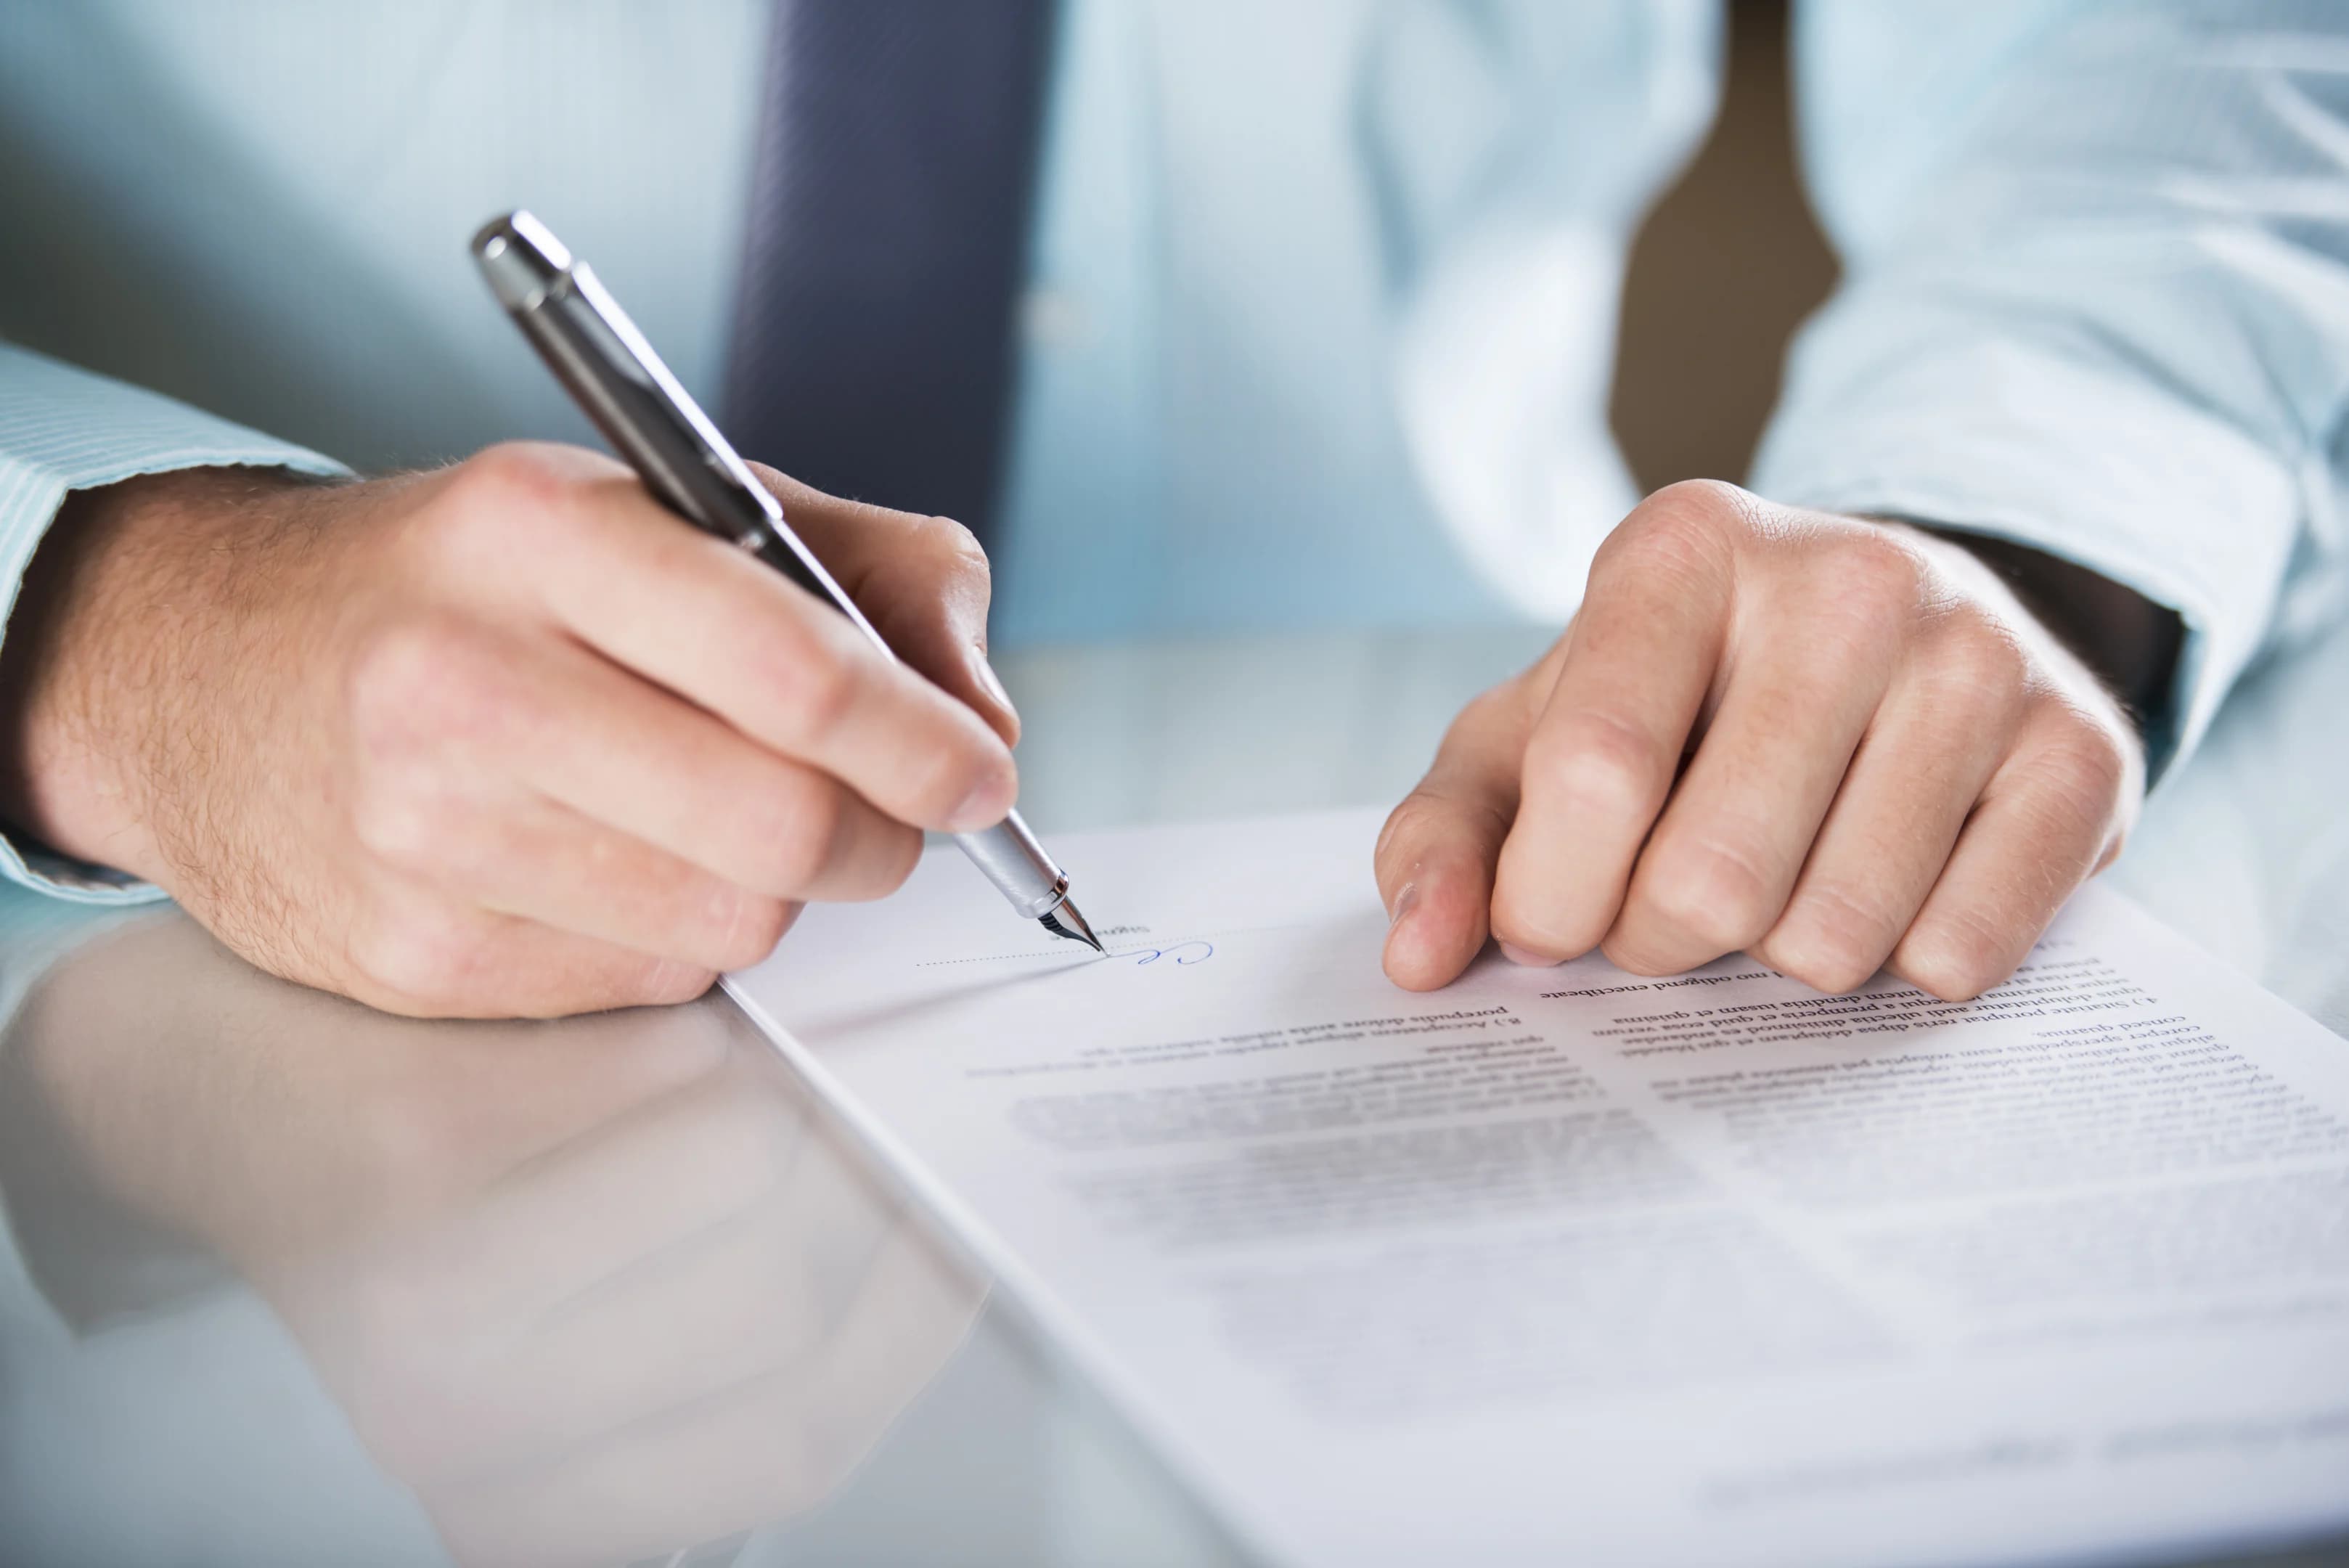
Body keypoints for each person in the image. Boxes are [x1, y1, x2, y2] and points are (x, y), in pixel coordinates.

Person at [0, 1, 2342, 1019]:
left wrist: (2000, 529)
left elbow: (2147, 37)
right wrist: (111, 627)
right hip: (188, 1025)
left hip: (1535, 803)